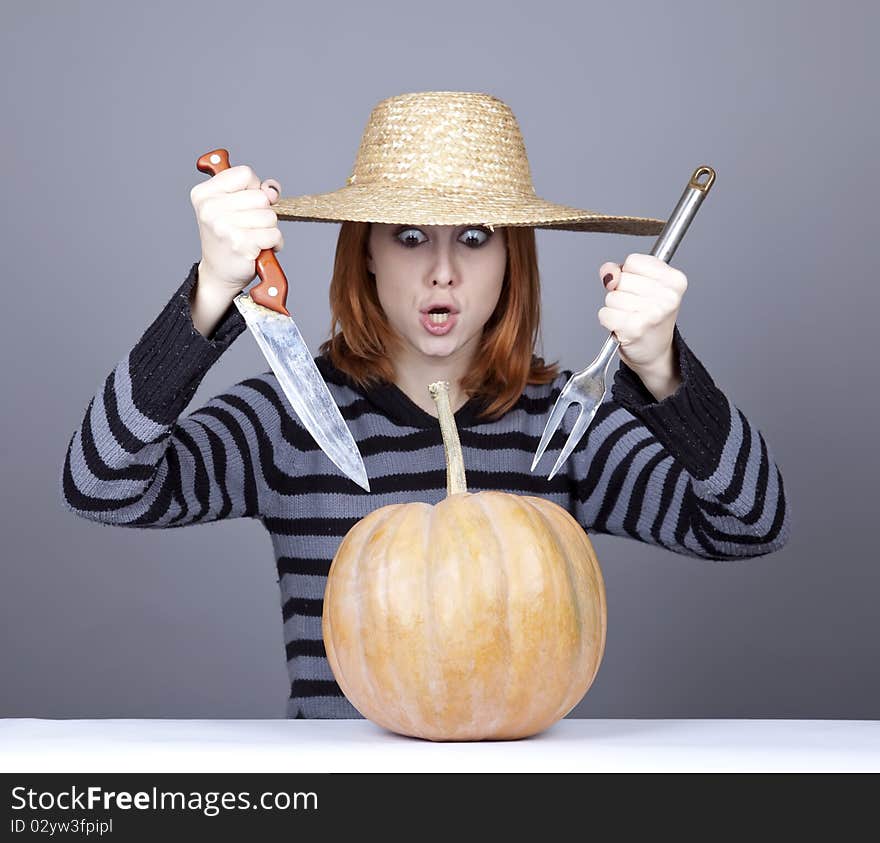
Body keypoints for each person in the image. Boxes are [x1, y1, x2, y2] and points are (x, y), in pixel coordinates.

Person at [60, 91, 791, 719]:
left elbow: (749, 523)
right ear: (367, 251)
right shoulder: (288, 421)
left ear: (513, 259)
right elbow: (102, 485)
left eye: (475, 238)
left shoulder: (563, 428)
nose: (443, 271)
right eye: (410, 236)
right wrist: (209, 294)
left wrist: (662, 369)